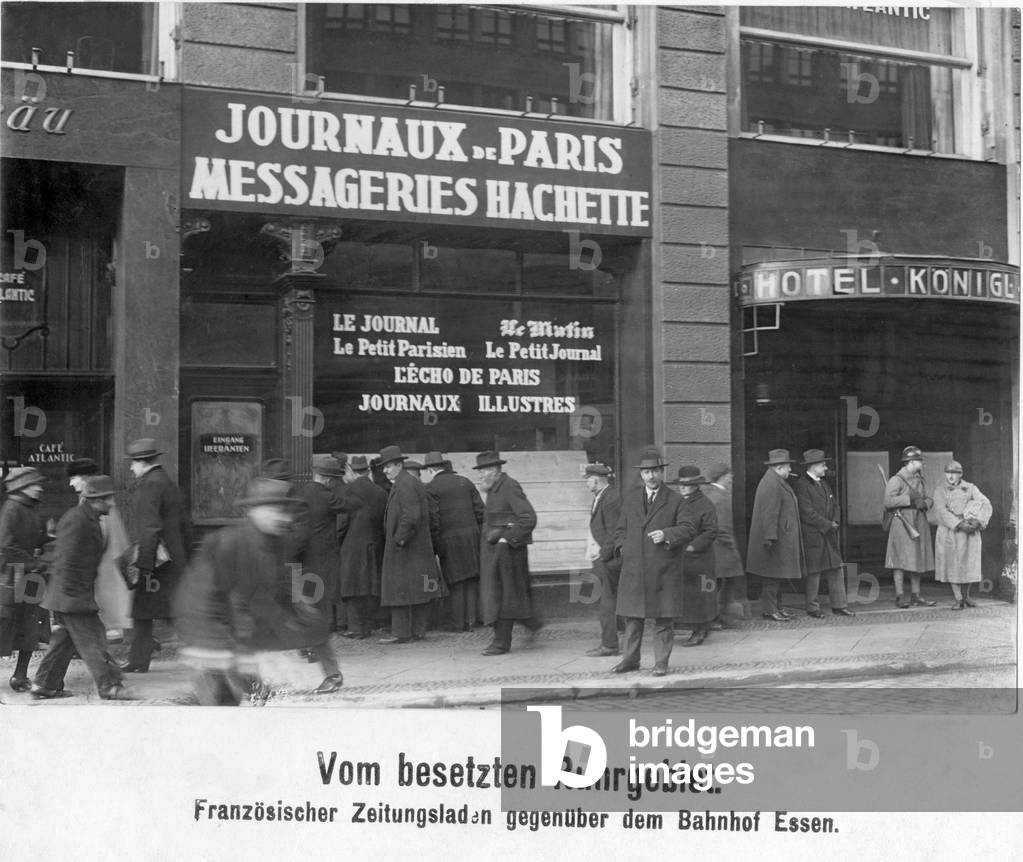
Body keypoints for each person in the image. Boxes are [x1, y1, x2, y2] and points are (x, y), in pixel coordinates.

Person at [175, 477, 328, 705]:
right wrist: (224, 648)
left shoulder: (277, 544)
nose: (282, 517)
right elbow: (201, 599)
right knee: (220, 706)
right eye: (274, 510)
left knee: (250, 699)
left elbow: (267, 595)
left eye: (286, 512)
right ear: (251, 510)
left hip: (237, 635)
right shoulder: (227, 543)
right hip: (207, 633)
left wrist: (295, 618)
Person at [31, 475, 134, 700]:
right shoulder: (78, 520)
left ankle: (44, 684)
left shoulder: (89, 519)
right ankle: (110, 686)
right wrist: (76, 597)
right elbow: (66, 560)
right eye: (109, 499)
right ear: (96, 499)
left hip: (71, 594)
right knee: (94, 641)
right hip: (72, 596)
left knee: (64, 641)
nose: (112, 504)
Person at [612, 448, 697, 676]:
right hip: (634, 570)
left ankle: (661, 663)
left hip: (663, 569)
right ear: (641, 475)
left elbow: (689, 528)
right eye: (647, 472)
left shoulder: (676, 500)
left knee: (663, 619)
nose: (651, 476)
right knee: (633, 618)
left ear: (662, 473)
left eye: (655, 471)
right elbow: (620, 529)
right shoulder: (631, 499)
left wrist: (667, 534)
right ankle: (630, 660)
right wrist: (624, 547)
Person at [122, 438, 190, 673]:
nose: (131, 468)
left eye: (133, 463)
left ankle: (139, 660)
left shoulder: (149, 485)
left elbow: (150, 528)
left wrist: (144, 565)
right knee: (161, 610)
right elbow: (184, 525)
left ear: (142, 463)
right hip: (173, 559)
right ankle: (139, 660)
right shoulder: (167, 482)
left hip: (157, 562)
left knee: (150, 610)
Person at [474, 450, 542, 655]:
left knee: (501, 598)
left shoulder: (509, 486)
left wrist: (507, 538)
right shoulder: (495, 488)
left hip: (507, 554)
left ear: (495, 470)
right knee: (508, 596)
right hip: (496, 554)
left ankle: (501, 643)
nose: (480, 475)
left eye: (483, 470)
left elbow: (528, 518)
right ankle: (532, 623)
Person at [290, 454, 345, 694]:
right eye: (332, 479)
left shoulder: (300, 496)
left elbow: (298, 537)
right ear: (327, 478)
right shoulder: (324, 497)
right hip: (318, 567)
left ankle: (331, 674)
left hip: (305, 567)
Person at [377, 445, 437, 644]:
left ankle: (401, 633)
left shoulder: (404, 484)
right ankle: (417, 631)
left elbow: (411, 516)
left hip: (405, 548)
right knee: (416, 589)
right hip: (413, 548)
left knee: (400, 590)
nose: (385, 470)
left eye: (388, 466)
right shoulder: (408, 482)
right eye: (384, 467)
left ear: (399, 465)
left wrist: (399, 540)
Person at [68, 458, 132, 643]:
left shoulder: (93, 499)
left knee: (105, 596)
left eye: (74, 478)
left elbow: (100, 532)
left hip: (102, 559)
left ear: (86, 478)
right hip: (108, 557)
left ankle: (108, 633)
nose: (71, 482)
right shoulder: (100, 496)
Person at [423, 451, 484, 632]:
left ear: (431, 469)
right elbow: (481, 512)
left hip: (448, 541)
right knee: (472, 579)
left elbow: (434, 521)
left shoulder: (431, 488)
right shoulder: (465, 482)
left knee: (456, 582)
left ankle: (458, 624)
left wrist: (436, 546)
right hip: (472, 538)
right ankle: (471, 621)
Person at [0, 467, 49, 692]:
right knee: (5, 624)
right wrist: (33, 563)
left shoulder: (30, 508)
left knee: (30, 624)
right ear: (22, 487)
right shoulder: (12, 508)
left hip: (30, 576)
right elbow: (6, 545)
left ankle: (20, 676)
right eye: (34, 484)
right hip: (13, 576)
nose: (39, 487)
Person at [794, 450, 854, 619]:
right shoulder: (802, 485)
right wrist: (828, 524)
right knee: (814, 572)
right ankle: (812, 608)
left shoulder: (824, 484)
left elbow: (835, 505)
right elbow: (807, 513)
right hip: (814, 535)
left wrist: (834, 521)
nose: (826, 468)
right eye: (823, 465)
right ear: (813, 467)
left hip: (828, 534)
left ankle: (840, 605)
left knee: (836, 569)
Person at [746, 449, 805, 621]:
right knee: (772, 577)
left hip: (779, 538)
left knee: (778, 575)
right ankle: (769, 610)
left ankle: (777, 608)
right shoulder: (771, 483)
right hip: (775, 540)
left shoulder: (776, 481)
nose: (790, 470)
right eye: (788, 467)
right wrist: (770, 538)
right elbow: (769, 513)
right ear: (779, 467)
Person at [928, 461, 992, 609]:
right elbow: (940, 510)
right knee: (953, 564)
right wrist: (959, 524)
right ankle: (958, 598)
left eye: (955, 473)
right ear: (945, 474)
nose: (951, 476)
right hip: (951, 531)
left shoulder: (970, 488)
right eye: (948, 472)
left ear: (961, 474)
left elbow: (986, 503)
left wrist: (978, 521)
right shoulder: (940, 490)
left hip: (969, 531)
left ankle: (967, 596)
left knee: (968, 563)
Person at [337, 455, 387, 639]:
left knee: (352, 587)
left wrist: (337, 541)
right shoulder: (380, 492)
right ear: (367, 470)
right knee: (369, 587)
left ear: (352, 470)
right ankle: (367, 626)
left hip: (352, 546)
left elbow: (342, 523)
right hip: (375, 544)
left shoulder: (348, 491)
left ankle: (355, 628)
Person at [883, 445, 936, 608]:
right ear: (911, 462)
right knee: (899, 559)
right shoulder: (896, 479)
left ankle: (916, 595)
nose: (922, 463)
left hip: (919, 520)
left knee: (917, 558)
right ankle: (900, 596)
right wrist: (909, 499)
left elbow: (928, 498)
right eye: (920, 460)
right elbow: (888, 502)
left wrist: (925, 503)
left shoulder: (919, 479)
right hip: (902, 522)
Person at [672, 465, 718, 647]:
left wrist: (693, 546)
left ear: (696, 485)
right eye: (681, 484)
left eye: (687, 484)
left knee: (700, 596)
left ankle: (700, 630)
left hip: (699, 558)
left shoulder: (704, 504)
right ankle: (688, 626)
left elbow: (711, 531)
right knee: (686, 595)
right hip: (681, 556)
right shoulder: (679, 501)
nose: (682, 487)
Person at [583, 463, 622, 657]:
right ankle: (613, 640)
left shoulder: (610, 499)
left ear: (596, 480)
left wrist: (603, 556)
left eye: (588, 480)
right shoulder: (602, 496)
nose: (586, 484)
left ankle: (610, 645)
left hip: (608, 559)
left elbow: (615, 532)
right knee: (609, 601)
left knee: (607, 603)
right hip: (603, 557)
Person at [703, 463, 749, 626]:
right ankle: (713, 618)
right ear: (722, 477)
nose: (731, 479)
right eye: (729, 476)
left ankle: (715, 616)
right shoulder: (720, 497)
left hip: (713, 549)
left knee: (714, 586)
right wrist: (732, 548)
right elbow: (722, 528)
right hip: (721, 550)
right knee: (717, 586)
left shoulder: (710, 494)